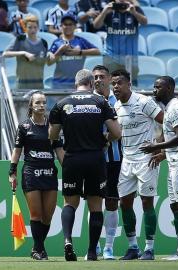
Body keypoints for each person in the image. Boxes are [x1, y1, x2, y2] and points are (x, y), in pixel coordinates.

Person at [49, 69, 121, 261]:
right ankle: (91, 252)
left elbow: (52, 135)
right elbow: (117, 132)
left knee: (69, 203)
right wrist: (106, 138)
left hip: (72, 158)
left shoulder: (61, 104)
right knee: (95, 206)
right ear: (91, 83)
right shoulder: (101, 102)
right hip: (95, 158)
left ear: (76, 84)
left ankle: (67, 240)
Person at [140, 76, 178, 261]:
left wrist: (155, 147)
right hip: (175, 161)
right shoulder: (169, 108)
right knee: (175, 205)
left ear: (169, 88)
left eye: (158, 87)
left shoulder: (175, 107)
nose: (154, 90)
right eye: (154, 87)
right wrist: (163, 155)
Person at [111, 69, 163, 260]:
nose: (115, 87)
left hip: (146, 160)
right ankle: (133, 247)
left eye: (119, 83)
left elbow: (167, 122)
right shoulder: (116, 106)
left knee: (146, 202)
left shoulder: (143, 101)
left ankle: (149, 248)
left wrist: (160, 147)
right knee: (124, 203)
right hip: (127, 160)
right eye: (113, 84)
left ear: (128, 84)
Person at [8, 91, 64, 260]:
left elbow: (60, 152)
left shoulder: (53, 127)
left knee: (48, 216)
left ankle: (37, 247)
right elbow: (17, 151)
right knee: (36, 215)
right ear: (31, 106)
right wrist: (12, 172)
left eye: (44, 102)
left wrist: (69, 172)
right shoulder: (24, 127)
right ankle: (38, 249)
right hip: (31, 172)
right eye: (38, 102)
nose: (41, 105)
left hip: (49, 173)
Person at [92, 65, 122, 260]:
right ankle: (93, 246)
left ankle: (109, 247)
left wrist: (105, 138)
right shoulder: (88, 100)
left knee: (111, 202)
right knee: (93, 203)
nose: (98, 80)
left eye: (102, 76)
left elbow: (122, 129)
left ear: (110, 78)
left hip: (115, 159)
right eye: (95, 77)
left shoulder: (119, 100)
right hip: (93, 159)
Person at [93, 0, 147, 86]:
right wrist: (104, 12)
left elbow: (145, 22)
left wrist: (134, 12)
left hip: (130, 57)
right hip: (110, 56)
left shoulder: (135, 9)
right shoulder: (109, 10)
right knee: (110, 85)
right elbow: (96, 25)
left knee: (130, 85)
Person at [48, 14, 100, 90]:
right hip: (59, 83)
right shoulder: (56, 42)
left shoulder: (80, 40)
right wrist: (60, 51)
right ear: (61, 26)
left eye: (70, 24)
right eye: (65, 24)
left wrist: (79, 52)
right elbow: (49, 62)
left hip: (77, 82)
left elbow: (97, 51)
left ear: (75, 26)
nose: (68, 27)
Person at [3, 15, 49, 90]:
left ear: (38, 28)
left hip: (38, 83)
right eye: (30, 27)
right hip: (22, 82)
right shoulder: (20, 39)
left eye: (35, 27)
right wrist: (23, 53)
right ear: (25, 28)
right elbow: (5, 54)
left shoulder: (44, 43)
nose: (33, 30)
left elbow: (46, 61)